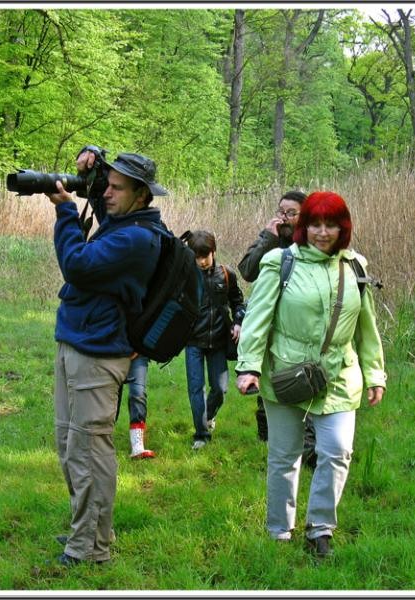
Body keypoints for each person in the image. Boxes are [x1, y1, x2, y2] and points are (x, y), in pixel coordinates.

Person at [235, 191, 386, 559]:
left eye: (330, 224)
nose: (322, 232)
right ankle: (279, 531)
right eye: (314, 224)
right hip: (286, 375)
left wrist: (375, 372)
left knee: (337, 452)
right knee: (285, 457)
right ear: (303, 227)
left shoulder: (355, 266)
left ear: (342, 227)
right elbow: (258, 318)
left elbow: (366, 326)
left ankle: (320, 529)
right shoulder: (279, 262)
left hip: (339, 377)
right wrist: (249, 366)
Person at [46, 145, 169, 566]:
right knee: (69, 444)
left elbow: (77, 265)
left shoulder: (137, 237)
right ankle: (91, 530)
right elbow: (103, 198)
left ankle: (90, 548)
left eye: (117, 188)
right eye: (108, 185)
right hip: (79, 341)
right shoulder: (122, 221)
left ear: (142, 195)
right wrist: (93, 161)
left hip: (100, 353)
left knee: (89, 450)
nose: (107, 194)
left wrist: (65, 211)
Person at [238, 191, 316, 467]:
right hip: (272, 327)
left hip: (302, 328)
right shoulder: (272, 243)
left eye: (290, 213)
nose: (283, 217)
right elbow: (247, 270)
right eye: (281, 211)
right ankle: (271, 442)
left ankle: (309, 453)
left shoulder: (313, 244)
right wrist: (266, 237)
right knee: (272, 388)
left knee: (304, 385)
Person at [183, 230, 245, 450]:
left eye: (204, 256)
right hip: (192, 342)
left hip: (219, 341)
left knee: (220, 389)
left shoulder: (227, 274)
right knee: (195, 388)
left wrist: (238, 322)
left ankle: (207, 417)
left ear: (213, 252)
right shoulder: (185, 276)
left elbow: (238, 302)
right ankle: (201, 435)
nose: (200, 262)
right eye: (196, 257)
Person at [125, 354, 156, 459]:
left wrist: (137, 350)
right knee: (108, 396)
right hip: (111, 350)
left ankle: (137, 446)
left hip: (138, 353)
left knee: (138, 393)